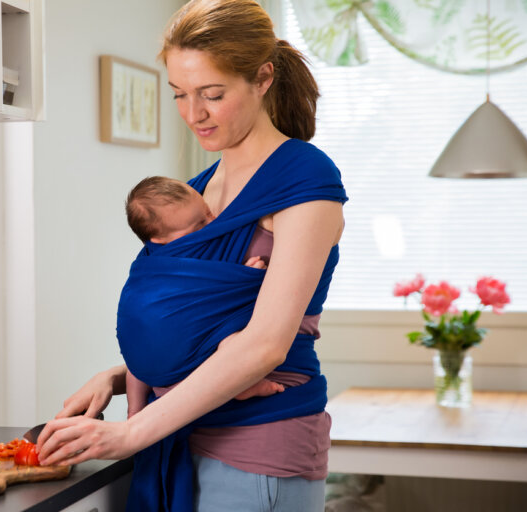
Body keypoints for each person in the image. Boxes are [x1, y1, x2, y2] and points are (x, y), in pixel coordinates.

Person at [36, 1, 348, 510]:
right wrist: (119, 375)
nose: (193, 113)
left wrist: (131, 435)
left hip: (259, 445)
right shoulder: (196, 193)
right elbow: (199, 329)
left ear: (263, 78)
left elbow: (265, 345)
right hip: (182, 431)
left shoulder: (305, 179)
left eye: (213, 94)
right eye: (180, 94)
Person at [123, 175, 282, 418]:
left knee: (136, 367)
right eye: (199, 224)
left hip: (158, 357)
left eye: (207, 211)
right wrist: (246, 276)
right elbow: (212, 285)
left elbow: (209, 287)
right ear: (159, 239)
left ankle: (134, 410)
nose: (213, 222)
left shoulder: (175, 242)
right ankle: (243, 385)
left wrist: (240, 274)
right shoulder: (172, 255)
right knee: (230, 342)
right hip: (164, 339)